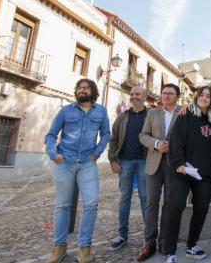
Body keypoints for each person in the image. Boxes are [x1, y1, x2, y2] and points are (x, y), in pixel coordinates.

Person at [44, 78, 110, 263]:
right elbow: (50, 135)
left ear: (92, 91)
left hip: (88, 163)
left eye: (86, 88)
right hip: (65, 161)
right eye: (80, 88)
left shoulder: (101, 111)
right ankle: (59, 248)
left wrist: (97, 152)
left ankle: (84, 249)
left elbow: (106, 133)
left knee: (91, 203)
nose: (82, 90)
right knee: (63, 205)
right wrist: (52, 153)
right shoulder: (66, 110)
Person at [162, 86, 211, 263]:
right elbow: (175, 140)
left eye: (209, 96)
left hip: (203, 174)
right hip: (182, 170)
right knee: (175, 206)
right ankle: (170, 251)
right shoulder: (185, 115)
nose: (205, 98)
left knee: (202, 206)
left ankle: (192, 245)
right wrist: (178, 164)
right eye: (202, 94)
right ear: (196, 97)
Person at [137, 83, 181, 261]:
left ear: (177, 96)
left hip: (173, 164)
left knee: (169, 203)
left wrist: (174, 147)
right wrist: (156, 144)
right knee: (151, 203)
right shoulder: (152, 113)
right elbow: (143, 135)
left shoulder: (183, 113)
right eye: (164, 93)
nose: (166, 96)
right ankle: (149, 243)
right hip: (153, 162)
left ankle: (164, 240)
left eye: (170, 93)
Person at [107, 85, 149, 251]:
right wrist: (112, 160)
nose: (134, 96)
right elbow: (114, 139)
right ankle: (122, 234)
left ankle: (149, 236)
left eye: (138, 94)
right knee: (125, 198)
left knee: (146, 199)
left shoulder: (151, 115)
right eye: (132, 94)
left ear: (144, 96)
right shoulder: (123, 116)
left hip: (144, 162)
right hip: (124, 163)